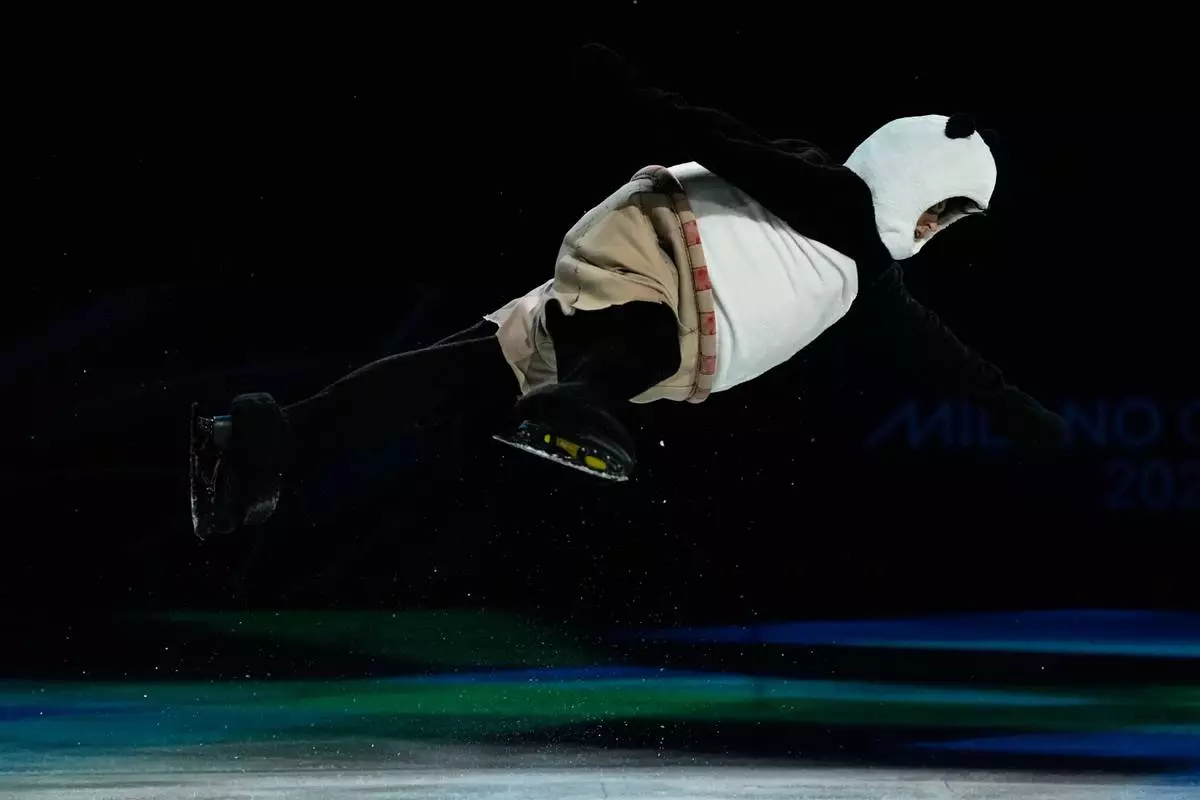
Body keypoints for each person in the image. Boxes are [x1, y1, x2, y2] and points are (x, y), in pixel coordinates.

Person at [188, 43, 1067, 540]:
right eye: (942, 210)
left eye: (949, 224)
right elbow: (715, 136)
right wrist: (615, 83)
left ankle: (258, 438)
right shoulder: (834, 194)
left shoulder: (871, 282)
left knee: (458, 375)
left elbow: (956, 365)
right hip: (653, 260)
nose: (931, 232)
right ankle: (579, 404)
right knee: (647, 340)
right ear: (913, 174)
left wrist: (1035, 422)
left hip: (627, 286)